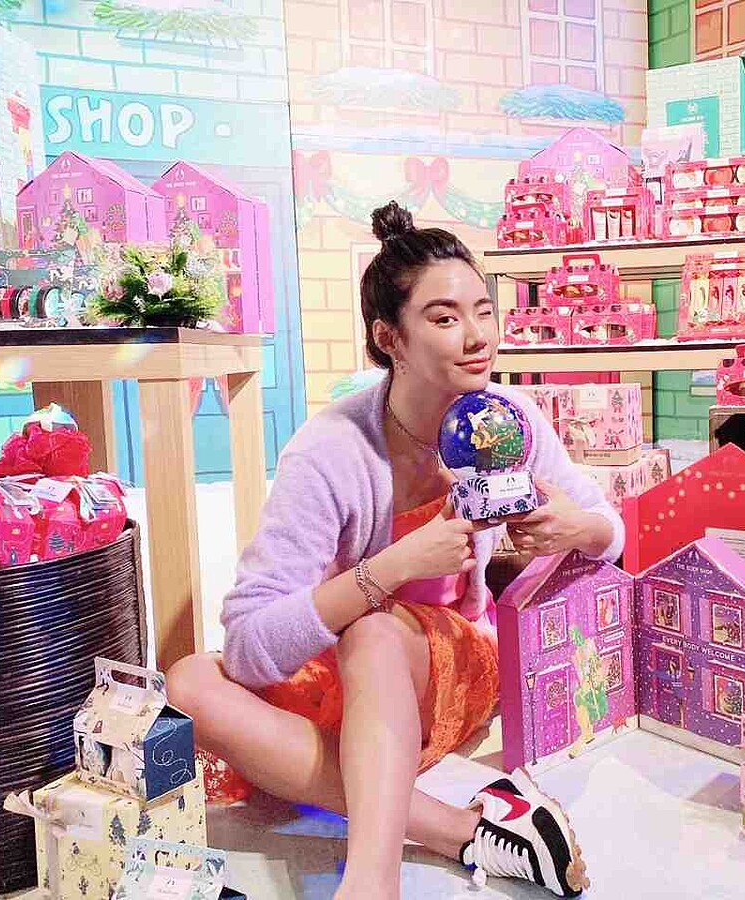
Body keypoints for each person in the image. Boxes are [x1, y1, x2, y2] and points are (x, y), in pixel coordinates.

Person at [166, 201, 624, 900]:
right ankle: (463, 831)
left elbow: (610, 531)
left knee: (374, 633)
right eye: (444, 318)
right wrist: (392, 568)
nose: (477, 337)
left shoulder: (512, 422)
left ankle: (371, 883)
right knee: (189, 684)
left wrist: (575, 528)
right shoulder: (331, 451)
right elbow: (252, 645)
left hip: (449, 662)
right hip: (348, 669)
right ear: (390, 338)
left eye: (483, 311)